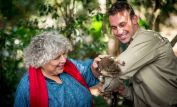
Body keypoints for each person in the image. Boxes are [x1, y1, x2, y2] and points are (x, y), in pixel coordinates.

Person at [106, 1, 177, 107]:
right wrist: (123, 90)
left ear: (134, 19)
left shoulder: (147, 39)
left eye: (122, 24)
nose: (119, 32)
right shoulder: (132, 44)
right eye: (114, 27)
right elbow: (141, 96)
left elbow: (114, 70)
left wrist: (98, 67)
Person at [14, 31, 102, 107]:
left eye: (64, 54)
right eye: (56, 58)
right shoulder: (26, 87)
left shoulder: (71, 66)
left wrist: (95, 66)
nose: (64, 60)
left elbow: (88, 71)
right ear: (41, 61)